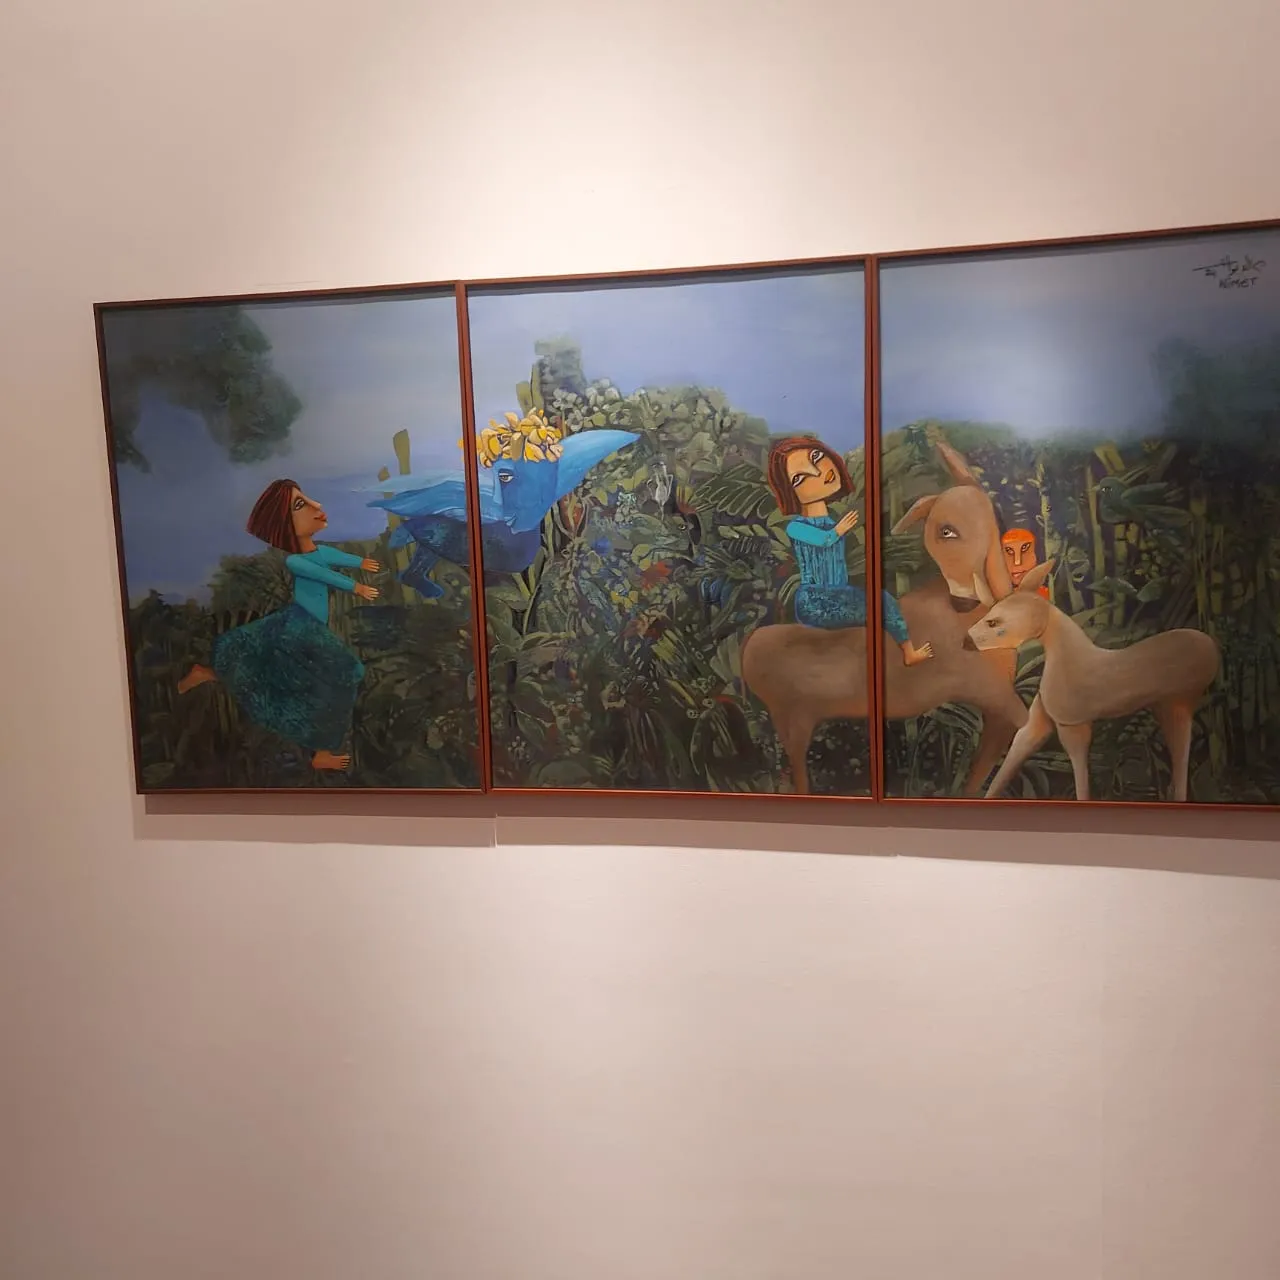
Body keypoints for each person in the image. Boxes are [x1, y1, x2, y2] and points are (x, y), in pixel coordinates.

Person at [177, 479, 380, 771]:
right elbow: (325, 576)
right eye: (300, 505)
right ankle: (320, 750)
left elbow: (335, 558)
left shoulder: (318, 552)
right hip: (301, 623)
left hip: (302, 622)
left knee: (269, 662)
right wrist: (356, 587)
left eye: (309, 499)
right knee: (349, 671)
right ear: (285, 523)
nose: (317, 506)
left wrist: (360, 563)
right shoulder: (296, 561)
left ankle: (208, 673)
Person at [766, 436, 933, 666]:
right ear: (789, 492)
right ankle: (908, 653)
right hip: (816, 599)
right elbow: (824, 540)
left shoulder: (831, 519)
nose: (818, 472)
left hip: (840, 592)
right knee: (883, 601)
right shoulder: (797, 527)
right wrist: (839, 530)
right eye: (800, 478)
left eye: (816, 457)